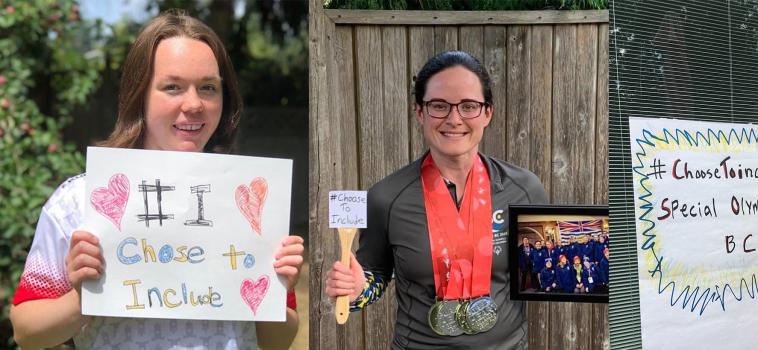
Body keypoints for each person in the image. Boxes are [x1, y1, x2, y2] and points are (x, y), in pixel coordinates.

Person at [9, 10, 304, 349]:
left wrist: (280, 286)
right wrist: (81, 298)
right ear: (140, 95)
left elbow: (277, 342)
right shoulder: (80, 200)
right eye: (172, 87)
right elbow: (27, 332)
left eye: (208, 87)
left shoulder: (249, 201)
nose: (193, 104)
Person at [323, 50, 549, 349]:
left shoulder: (524, 189)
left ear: (487, 113)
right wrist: (357, 290)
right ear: (420, 111)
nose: (454, 119)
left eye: (469, 106)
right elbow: (374, 275)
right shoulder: (386, 197)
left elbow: (542, 268)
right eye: (439, 106)